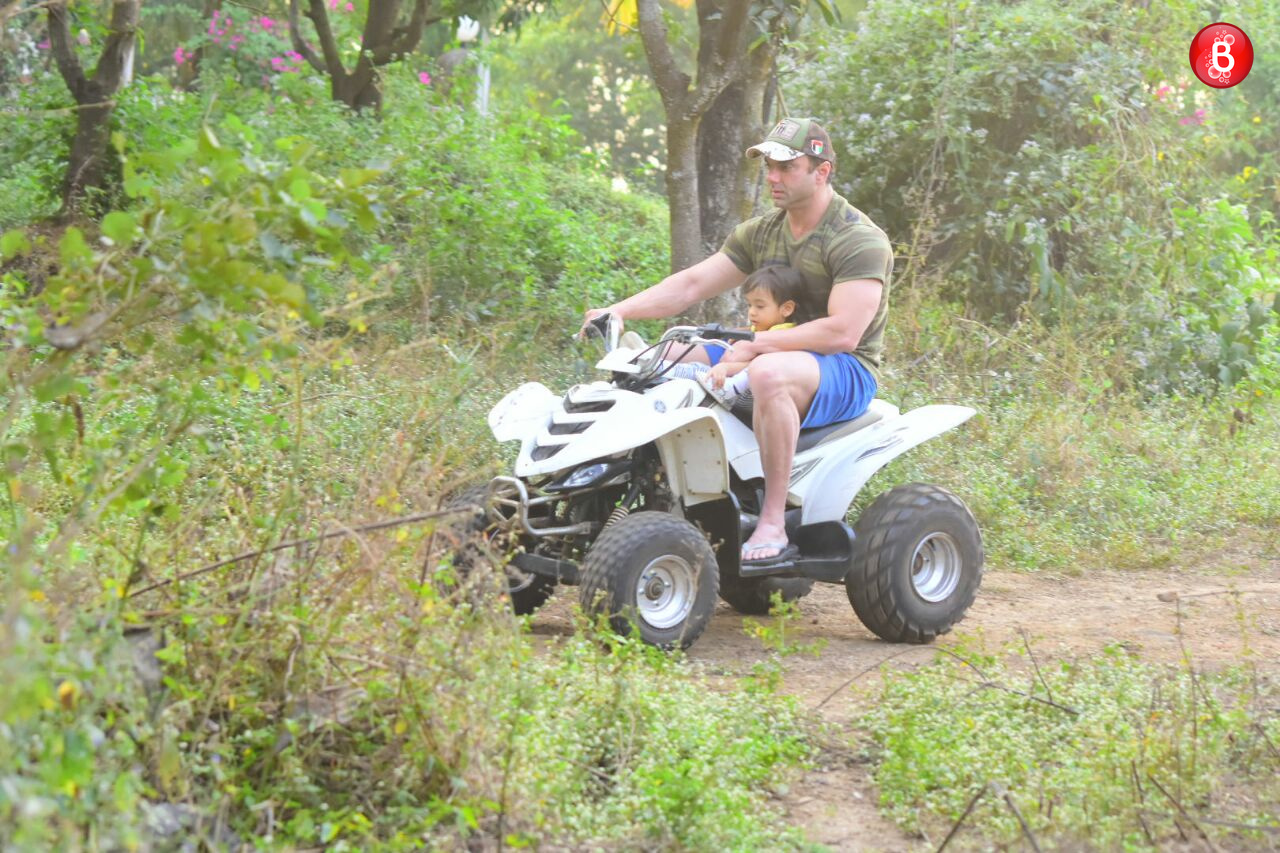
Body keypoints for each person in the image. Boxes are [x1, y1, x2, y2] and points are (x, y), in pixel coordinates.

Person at [582, 117, 892, 566]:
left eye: (786, 167)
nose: (772, 177)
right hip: (769, 349)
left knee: (768, 373)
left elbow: (843, 333)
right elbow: (691, 285)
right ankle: (638, 496)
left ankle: (773, 521)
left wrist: (757, 348)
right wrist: (620, 310)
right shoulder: (763, 231)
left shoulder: (857, 239)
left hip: (843, 367)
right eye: (768, 165)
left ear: (821, 171)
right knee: (660, 357)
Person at [698, 264, 804, 408]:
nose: (752, 312)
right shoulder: (759, 327)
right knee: (700, 370)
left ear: (786, 309)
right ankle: (672, 369)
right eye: (749, 305)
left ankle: (730, 388)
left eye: (760, 306)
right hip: (740, 380)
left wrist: (727, 367)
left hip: (757, 388)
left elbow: (756, 364)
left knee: (763, 364)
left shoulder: (784, 334)